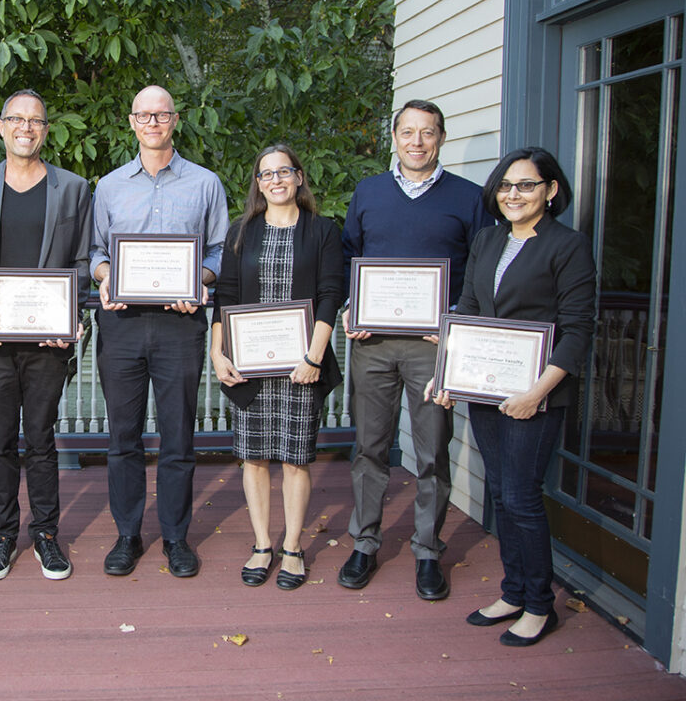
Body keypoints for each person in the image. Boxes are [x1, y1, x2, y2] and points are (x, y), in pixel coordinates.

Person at [426, 147, 595, 646]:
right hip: (483, 390)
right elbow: (471, 309)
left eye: (525, 185)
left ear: (551, 190)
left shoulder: (568, 246)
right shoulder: (488, 239)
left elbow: (578, 331)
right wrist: (447, 376)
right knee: (502, 492)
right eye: (505, 186)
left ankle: (541, 606)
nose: (513, 194)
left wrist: (535, 392)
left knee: (522, 497)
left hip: (535, 395)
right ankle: (514, 591)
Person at [340, 99, 493, 600]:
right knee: (370, 447)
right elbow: (348, 258)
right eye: (408, 132)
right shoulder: (369, 192)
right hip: (374, 343)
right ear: (394, 137)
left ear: (441, 138)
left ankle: (428, 550)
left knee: (431, 451)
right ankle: (365, 542)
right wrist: (350, 307)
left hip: (433, 346)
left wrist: (455, 321)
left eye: (427, 133)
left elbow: (479, 270)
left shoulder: (469, 199)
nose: (417, 142)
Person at [91, 85, 229, 578]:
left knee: (178, 436)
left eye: (162, 114)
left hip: (180, 324)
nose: (153, 122)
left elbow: (217, 253)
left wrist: (198, 283)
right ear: (132, 122)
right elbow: (95, 253)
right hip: (123, 324)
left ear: (175, 120)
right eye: (144, 115)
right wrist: (108, 277)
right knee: (122, 436)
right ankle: (127, 534)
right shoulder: (108, 186)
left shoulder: (206, 183)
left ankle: (175, 536)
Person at [0, 89, 91, 581]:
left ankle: (46, 535)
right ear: (1, 126)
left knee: (41, 440)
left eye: (35, 120)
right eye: (17, 119)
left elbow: (80, 261)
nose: (25, 128)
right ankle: (4, 534)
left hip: (47, 341)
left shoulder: (74, 188)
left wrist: (70, 315)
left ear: (46, 129)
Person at [211, 145, 342, 589]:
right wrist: (218, 353)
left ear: (299, 177)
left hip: (301, 365)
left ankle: (292, 548)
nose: (276, 180)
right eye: (266, 174)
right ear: (258, 183)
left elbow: (330, 295)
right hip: (249, 365)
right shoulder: (240, 231)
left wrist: (314, 357)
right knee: (253, 457)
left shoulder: (323, 231)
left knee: (295, 459)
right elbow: (224, 296)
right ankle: (262, 543)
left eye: (284, 171)